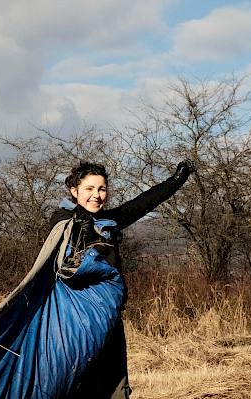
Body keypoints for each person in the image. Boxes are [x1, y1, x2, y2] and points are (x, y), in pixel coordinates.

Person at [49, 159, 194, 398]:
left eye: (102, 189)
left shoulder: (108, 221)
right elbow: (60, 243)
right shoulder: (61, 220)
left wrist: (176, 181)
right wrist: (78, 225)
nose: (96, 195)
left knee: (115, 386)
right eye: (89, 189)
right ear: (74, 191)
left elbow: (142, 204)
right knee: (78, 385)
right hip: (75, 322)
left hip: (110, 320)